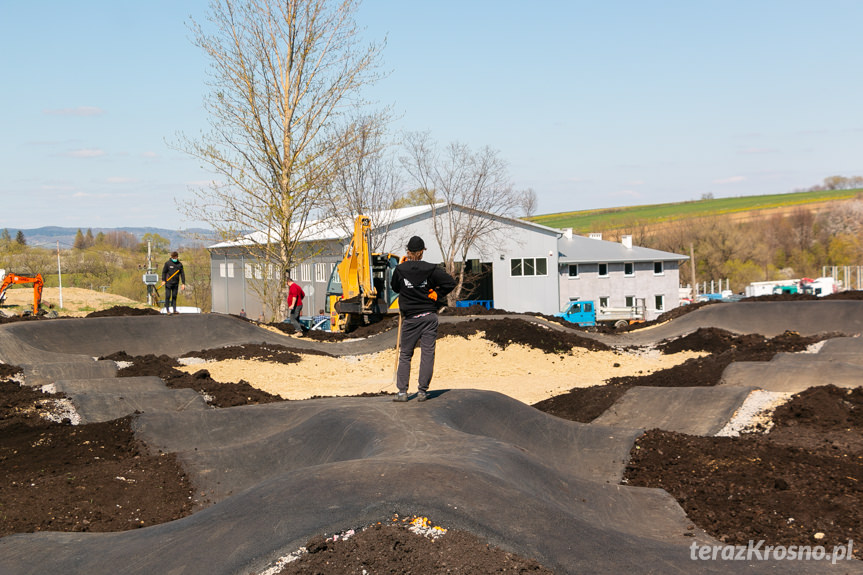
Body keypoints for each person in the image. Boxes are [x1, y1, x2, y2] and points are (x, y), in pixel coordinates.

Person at [391, 236, 455, 402]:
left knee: (405, 354)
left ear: (408, 251)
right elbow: (450, 282)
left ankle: (402, 392)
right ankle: (422, 391)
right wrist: (438, 293)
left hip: (411, 319)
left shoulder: (400, 270)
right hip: (428, 317)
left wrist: (402, 267)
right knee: (427, 354)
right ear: (422, 252)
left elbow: (395, 287)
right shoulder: (431, 269)